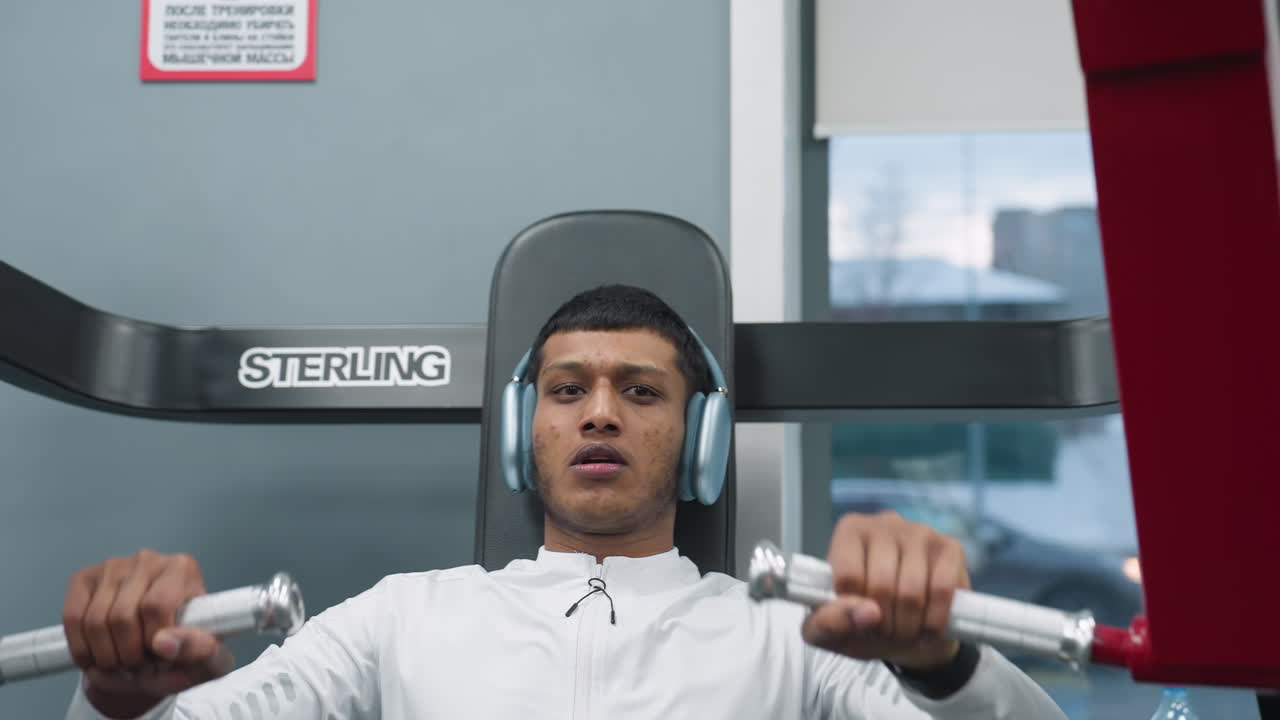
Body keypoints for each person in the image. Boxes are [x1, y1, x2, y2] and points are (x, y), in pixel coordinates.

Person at [64, 285, 1066, 719]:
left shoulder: (782, 639)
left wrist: (940, 665)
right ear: (523, 429)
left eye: (641, 392)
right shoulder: (402, 619)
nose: (599, 413)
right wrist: (118, 693)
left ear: (701, 440)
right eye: (567, 389)